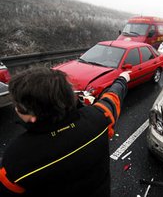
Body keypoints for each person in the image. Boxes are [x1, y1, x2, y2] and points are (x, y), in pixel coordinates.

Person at [0, 67, 130, 197]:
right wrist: (122, 79)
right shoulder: (99, 118)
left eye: (17, 105)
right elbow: (112, 98)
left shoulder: (15, 160)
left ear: (32, 116)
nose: (16, 109)